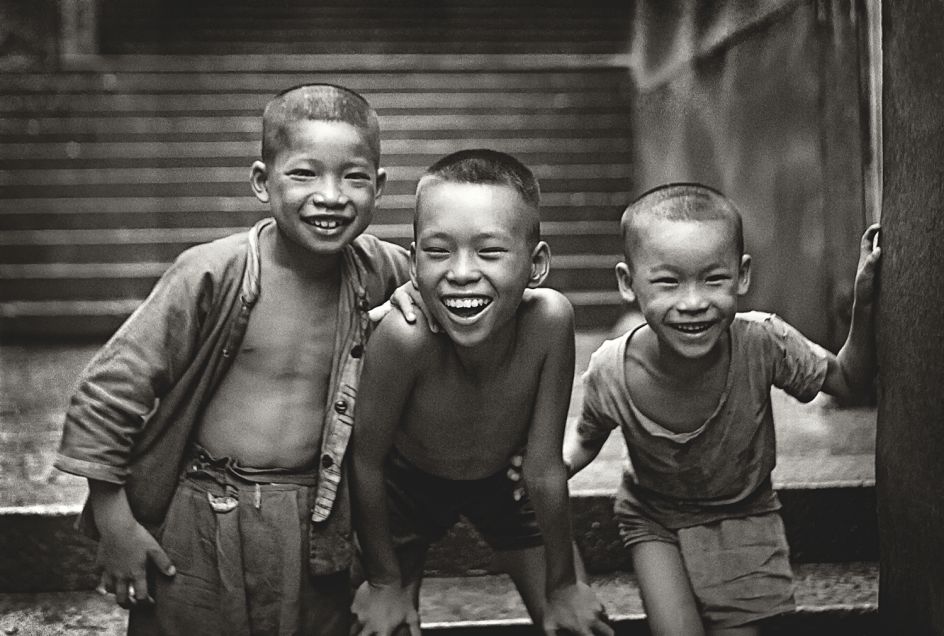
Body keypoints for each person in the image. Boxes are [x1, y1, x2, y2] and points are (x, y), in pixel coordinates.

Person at [54, 83, 414, 635]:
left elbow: (461, 296)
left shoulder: (383, 272)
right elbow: (108, 392)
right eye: (304, 174)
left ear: (380, 187)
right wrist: (115, 523)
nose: (331, 195)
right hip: (201, 513)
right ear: (260, 182)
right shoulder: (212, 274)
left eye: (354, 177)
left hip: (318, 520)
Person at [563, 183, 881, 636]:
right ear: (627, 284)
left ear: (742, 276)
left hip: (745, 516)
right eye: (668, 282)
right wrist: (553, 467)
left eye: (714, 280)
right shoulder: (612, 370)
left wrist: (864, 302)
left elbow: (848, 379)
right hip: (655, 519)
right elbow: (585, 439)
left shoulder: (765, 343)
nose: (693, 303)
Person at [349, 149, 613, 636]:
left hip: (505, 485)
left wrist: (562, 586)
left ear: (536, 265)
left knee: (581, 622)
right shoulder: (405, 338)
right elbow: (364, 462)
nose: (462, 272)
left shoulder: (549, 323)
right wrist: (384, 581)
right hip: (406, 490)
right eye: (438, 251)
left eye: (489, 252)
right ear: (413, 264)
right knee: (385, 625)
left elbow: (544, 467)